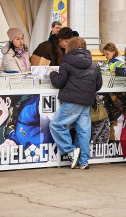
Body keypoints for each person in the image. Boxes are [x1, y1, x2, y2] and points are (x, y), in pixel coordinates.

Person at [49, 37, 103, 169]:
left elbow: (59, 83)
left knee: (56, 124)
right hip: (86, 101)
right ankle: (83, 161)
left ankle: (70, 150)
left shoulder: (66, 63)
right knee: (84, 131)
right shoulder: (93, 65)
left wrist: (53, 74)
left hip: (71, 100)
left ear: (70, 48)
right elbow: (98, 85)